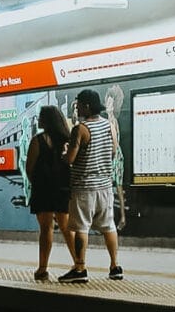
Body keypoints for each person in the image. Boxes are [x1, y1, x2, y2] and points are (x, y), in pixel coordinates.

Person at [59, 89, 123, 283]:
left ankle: (80, 268)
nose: (76, 109)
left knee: (81, 228)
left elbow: (70, 159)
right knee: (108, 226)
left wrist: (62, 154)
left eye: (78, 105)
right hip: (105, 186)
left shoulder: (80, 129)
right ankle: (115, 267)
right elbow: (113, 153)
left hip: (84, 187)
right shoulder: (109, 126)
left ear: (87, 106)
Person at [24, 105, 75, 282]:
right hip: (63, 189)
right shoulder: (68, 139)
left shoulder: (38, 140)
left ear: (46, 120)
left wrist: (36, 184)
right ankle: (79, 264)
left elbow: (29, 167)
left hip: (43, 190)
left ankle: (42, 269)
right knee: (67, 228)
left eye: (41, 117)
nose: (38, 119)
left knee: (46, 229)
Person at [104, 83, 127, 231]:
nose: (108, 106)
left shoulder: (111, 121)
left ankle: (114, 219)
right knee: (117, 188)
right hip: (116, 156)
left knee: (112, 189)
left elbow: (114, 142)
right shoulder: (112, 120)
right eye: (107, 103)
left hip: (114, 157)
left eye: (110, 104)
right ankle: (121, 218)